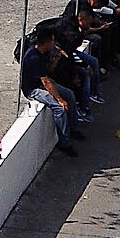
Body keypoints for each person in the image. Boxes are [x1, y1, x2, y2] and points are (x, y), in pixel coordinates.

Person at [20, 25, 80, 154]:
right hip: (34, 88)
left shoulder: (43, 52)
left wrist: (56, 58)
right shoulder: (33, 57)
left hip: (43, 82)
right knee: (59, 108)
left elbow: (49, 71)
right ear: (46, 42)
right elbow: (45, 81)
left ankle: (73, 128)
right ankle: (64, 143)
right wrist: (59, 99)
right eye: (52, 41)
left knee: (69, 94)